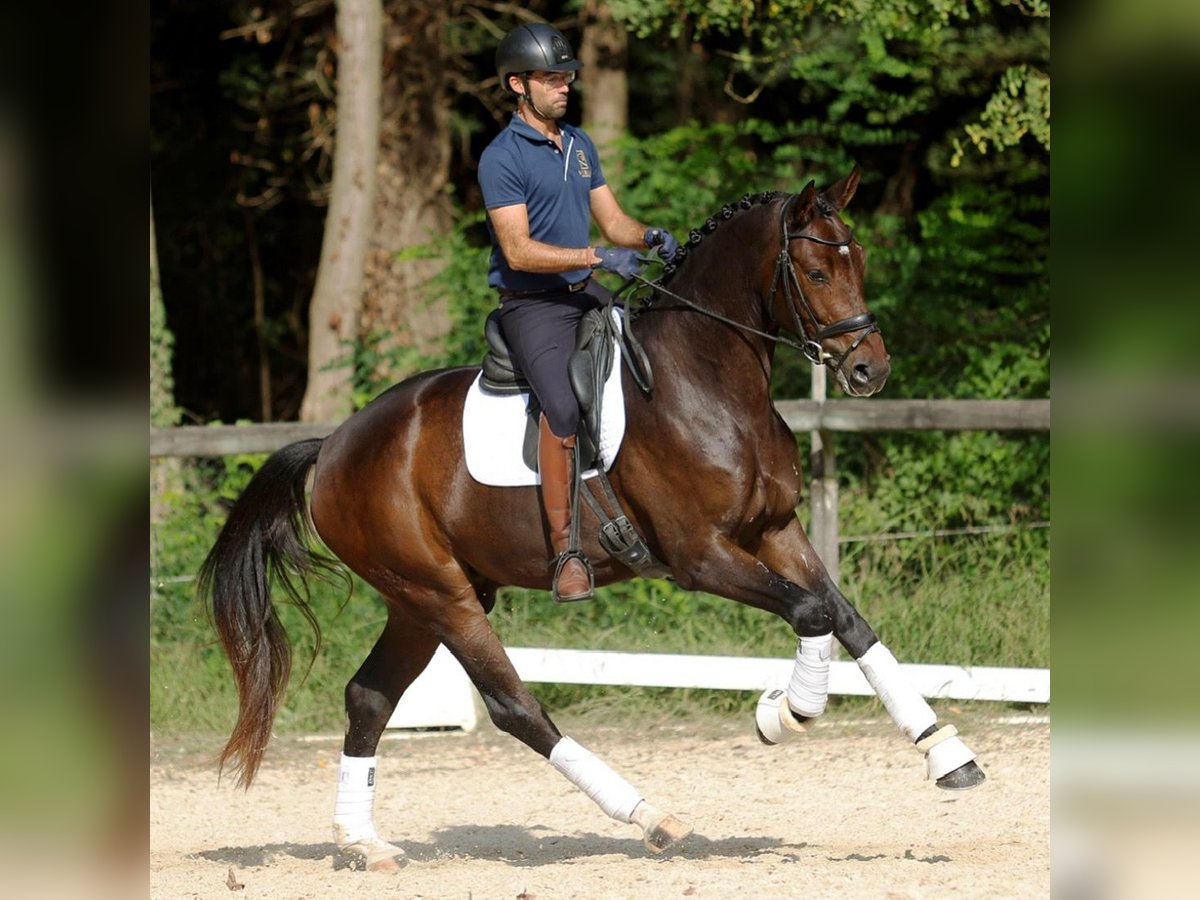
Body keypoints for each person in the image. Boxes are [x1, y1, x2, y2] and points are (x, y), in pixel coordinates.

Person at [478, 22, 679, 601]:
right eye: (550, 79)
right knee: (563, 405)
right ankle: (566, 551)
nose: (564, 87)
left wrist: (652, 237)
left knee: (655, 362)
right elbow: (518, 250)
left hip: (585, 293)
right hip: (533, 307)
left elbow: (616, 224)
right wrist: (597, 254)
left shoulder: (581, 145)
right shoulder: (502, 158)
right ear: (519, 84)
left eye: (566, 77)